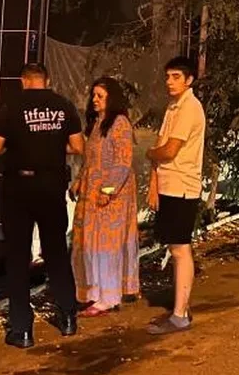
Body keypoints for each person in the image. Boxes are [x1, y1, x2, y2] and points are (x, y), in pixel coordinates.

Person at [0, 63, 84, 348]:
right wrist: (53, 146)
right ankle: (67, 317)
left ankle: (22, 329)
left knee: (17, 255)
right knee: (55, 250)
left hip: (19, 187)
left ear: (23, 80)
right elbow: (78, 147)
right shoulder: (63, 106)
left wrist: (15, 146)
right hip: (51, 186)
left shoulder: (12, 106)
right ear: (47, 80)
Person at [146, 56, 206, 335]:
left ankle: (180, 315)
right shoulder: (174, 106)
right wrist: (154, 182)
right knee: (174, 247)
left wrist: (149, 154)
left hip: (182, 186)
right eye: (168, 76)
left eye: (176, 77)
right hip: (169, 185)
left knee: (180, 249)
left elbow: (167, 151)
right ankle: (179, 308)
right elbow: (162, 146)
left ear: (189, 80)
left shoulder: (190, 108)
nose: (169, 82)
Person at [71, 77, 140, 317]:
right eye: (94, 96)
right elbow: (90, 160)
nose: (95, 100)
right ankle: (94, 293)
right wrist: (79, 182)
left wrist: (107, 191)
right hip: (91, 194)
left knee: (106, 245)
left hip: (112, 197)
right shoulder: (97, 124)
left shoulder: (119, 123)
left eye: (100, 96)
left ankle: (108, 297)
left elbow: (123, 163)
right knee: (89, 244)